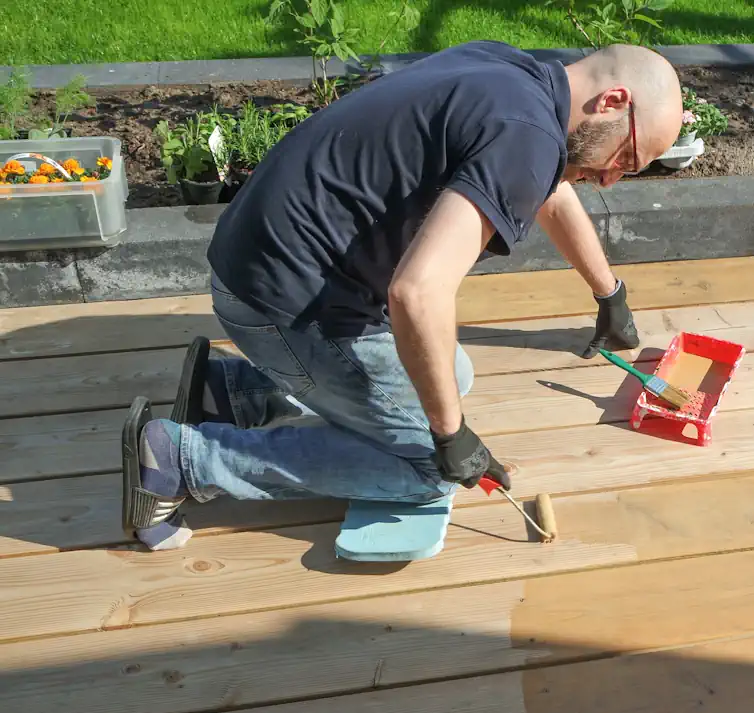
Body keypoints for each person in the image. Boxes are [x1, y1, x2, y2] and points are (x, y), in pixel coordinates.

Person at [120, 40, 685, 551]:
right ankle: (182, 462)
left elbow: (549, 191)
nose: (611, 178)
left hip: (260, 261)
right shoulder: (527, 137)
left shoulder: (517, 73)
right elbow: (417, 293)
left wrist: (609, 293)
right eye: (626, 159)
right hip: (284, 301)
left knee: (452, 374)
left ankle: (231, 392)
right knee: (428, 470)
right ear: (613, 102)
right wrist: (450, 436)